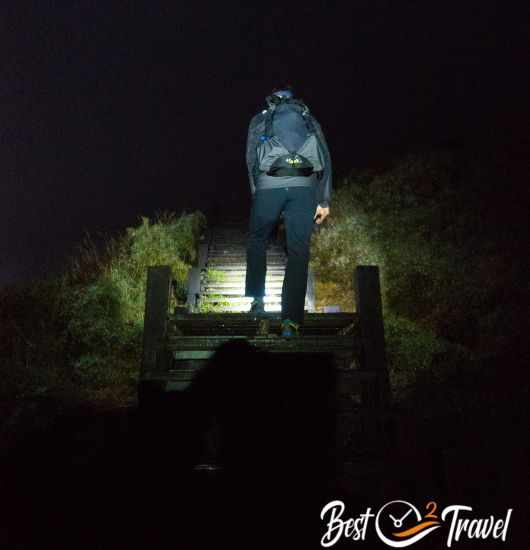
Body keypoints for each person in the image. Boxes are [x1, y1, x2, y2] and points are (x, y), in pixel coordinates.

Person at [245, 85, 332, 337]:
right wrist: (324, 200)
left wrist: (257, 191)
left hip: (269, 185)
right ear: (294, 101)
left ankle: (257, 301)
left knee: (257, 238)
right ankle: (291, 321)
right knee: (298, 250)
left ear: (272, 100)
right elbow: (325, 156)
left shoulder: (261, 118)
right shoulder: (307, 117)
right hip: (305, 187)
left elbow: (251, 157)